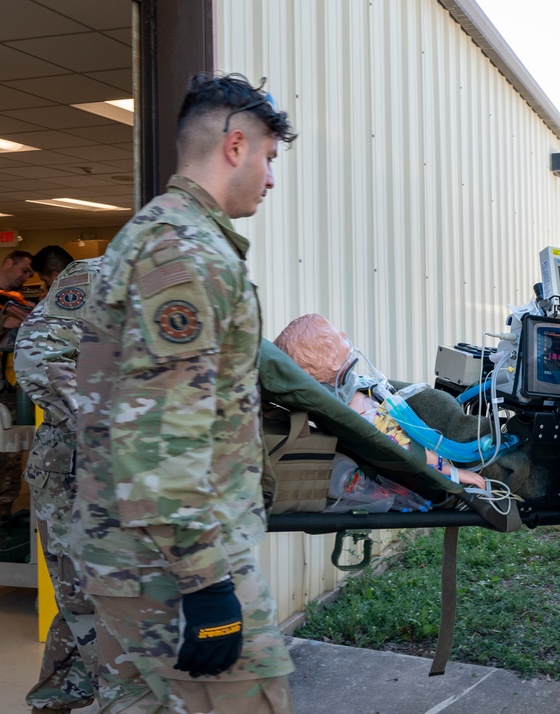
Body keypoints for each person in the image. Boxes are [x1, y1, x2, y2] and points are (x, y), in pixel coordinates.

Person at [71, 72, 298, 712]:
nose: (271, 178)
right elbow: (160, 436)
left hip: (129, 553)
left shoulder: (151, 234)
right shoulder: (186, 254)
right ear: (235, 146)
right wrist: (207, 585)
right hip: (170, 565)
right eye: (269, 158)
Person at [14, 255, 101, 713]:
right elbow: (39, 353)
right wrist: (107, 432)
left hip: (133, 479)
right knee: (87, 597)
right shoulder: (97, 275)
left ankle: (56, 698)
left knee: (91, 600)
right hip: (75, 470)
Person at [272, 313, 486, 490]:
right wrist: (453, 472)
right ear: (332, 361)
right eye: (339, 337)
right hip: (444, 449)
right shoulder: (357, 408)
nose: (345, 335)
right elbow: (406, 448)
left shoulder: (341, 393)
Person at [0, 248, 35, 520]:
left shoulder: (17, 302)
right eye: (24, 270)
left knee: (9, 463)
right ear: (8, 262)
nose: (26, 277)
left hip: (8, 394)